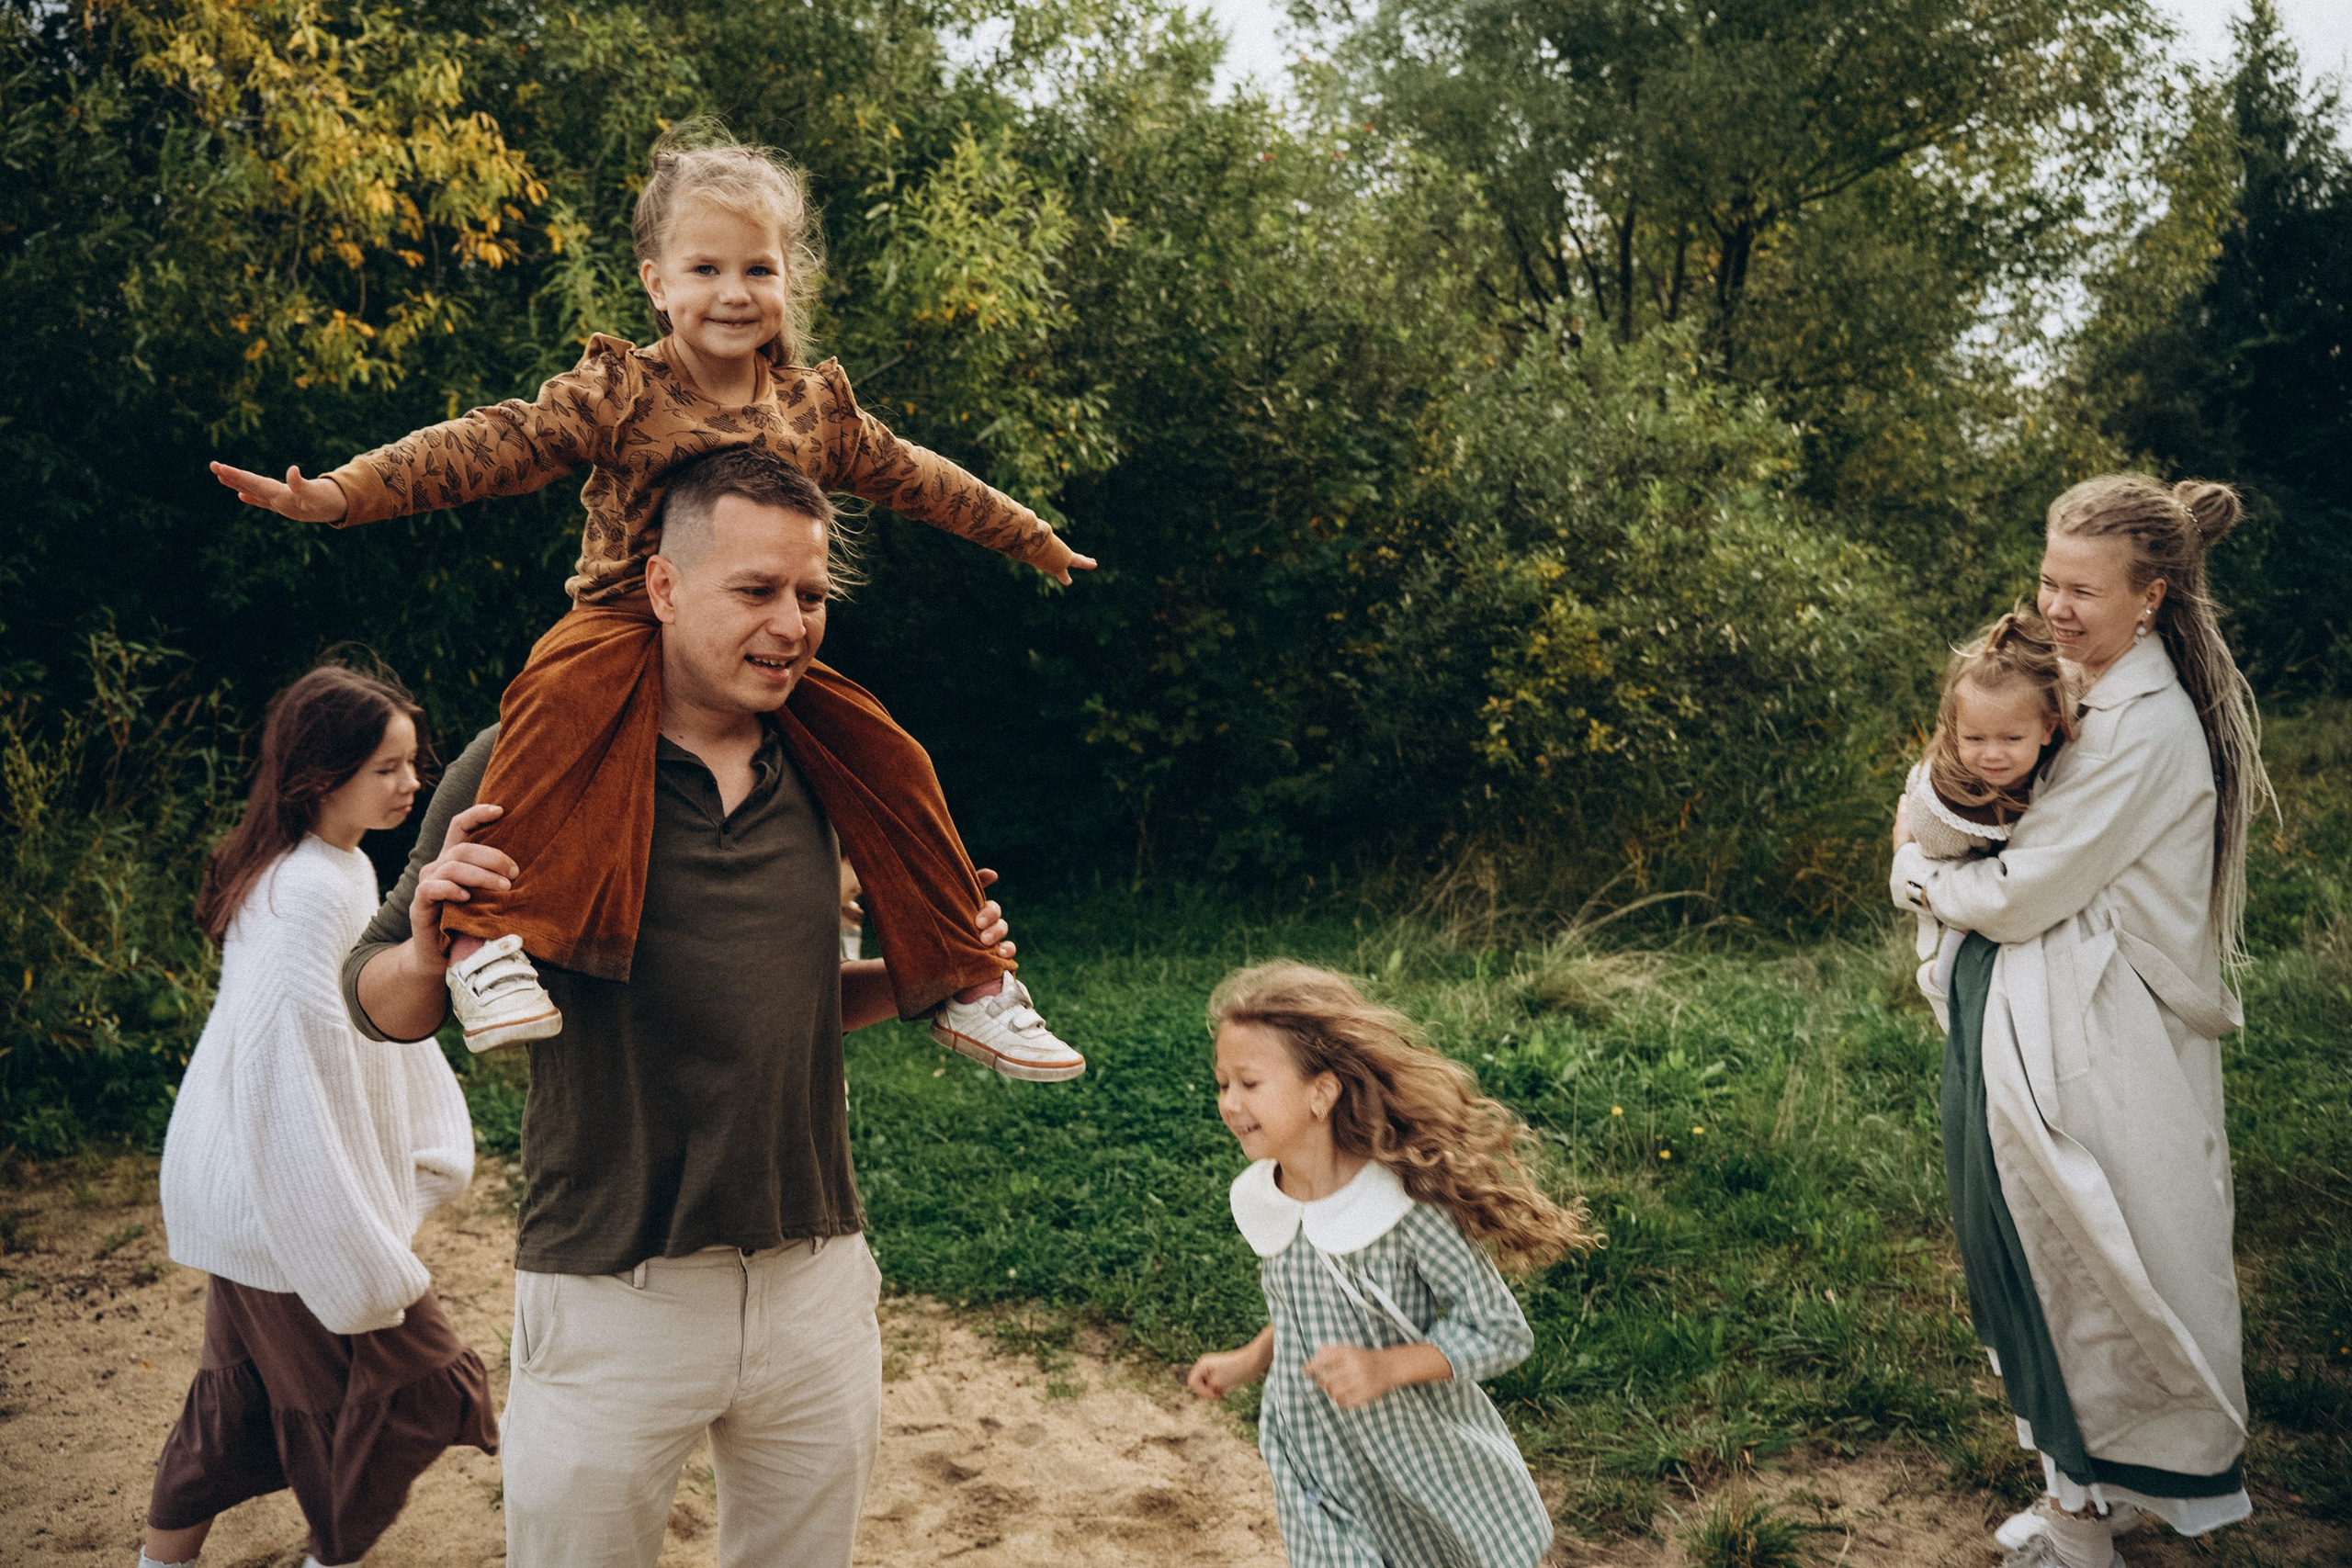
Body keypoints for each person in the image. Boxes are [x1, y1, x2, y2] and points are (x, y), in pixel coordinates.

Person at [210, 122, 1086, 1084]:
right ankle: (483, 947)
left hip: (755, 639)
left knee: (892, 756)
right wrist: (341, 494)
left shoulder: (809, 407)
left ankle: (967, 980)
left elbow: (918, 477)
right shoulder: (622, 389)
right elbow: (487, 444)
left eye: (757, 268)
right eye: (703, 268)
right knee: (547, 715)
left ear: (787, 279)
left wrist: (1027, 533)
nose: (732, 292)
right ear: (655, 283)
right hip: (621, 621)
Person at [341, 448, 1018, 1568]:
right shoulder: (536, 756)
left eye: (810, 596)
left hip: (815, 1276)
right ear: (661, 587)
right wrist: (423, 949)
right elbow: (375, 999)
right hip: (612, 1280)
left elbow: (795, 996)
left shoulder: (827, 761)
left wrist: (931, 976)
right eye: (755, 591)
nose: (792, 623)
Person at [1892, 478, 2269, 1568]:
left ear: (2150, 596)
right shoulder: (2073, 686)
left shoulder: (2142, 729)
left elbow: (2018, 891)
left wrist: (1918, 878)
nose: (2054, 607)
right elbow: (1967, 775)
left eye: (2082, 591)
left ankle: (2084, 1524)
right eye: (2047, 581)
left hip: (2092, 1050)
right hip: (2033, 1025)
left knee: (2093, 1269)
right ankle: (2079, 1500)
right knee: (2049, 1265)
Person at [143, 664, 495, 1568]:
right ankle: (324, 1560)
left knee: (237, 1401)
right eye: (387, 768)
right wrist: (345, 1234)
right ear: (319, 774)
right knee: (414, 1390)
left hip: (244, 1203)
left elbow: (361, 1032)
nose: (411, 784)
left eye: (413, 763)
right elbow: (283, 1081)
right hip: (279, 1207)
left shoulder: (330, 867)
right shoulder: (307, 890)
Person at [1184, 963, 1592, 1568]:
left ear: (1321, 1092)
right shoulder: (1262, 1198)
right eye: (1222, 1083)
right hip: (1313, 1448)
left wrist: (1385, 1366)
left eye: (1248, 1082)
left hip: (1415, 1450)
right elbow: (1304, 1309)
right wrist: (1248, 1360)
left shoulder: (1403, 1207)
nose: (1229, 1102)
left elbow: (1499, 1331)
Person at [1900, 610, 2075, 1027]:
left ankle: (1942, 976)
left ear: (2048, 730)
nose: (1992, 754)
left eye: (2012, 739)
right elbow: (1944, 861)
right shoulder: (1951, 794)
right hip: (1946, 849)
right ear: (1955, 730)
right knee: (1966, 904)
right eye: (1974, 739)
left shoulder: (2060, 760)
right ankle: (1941, 977)